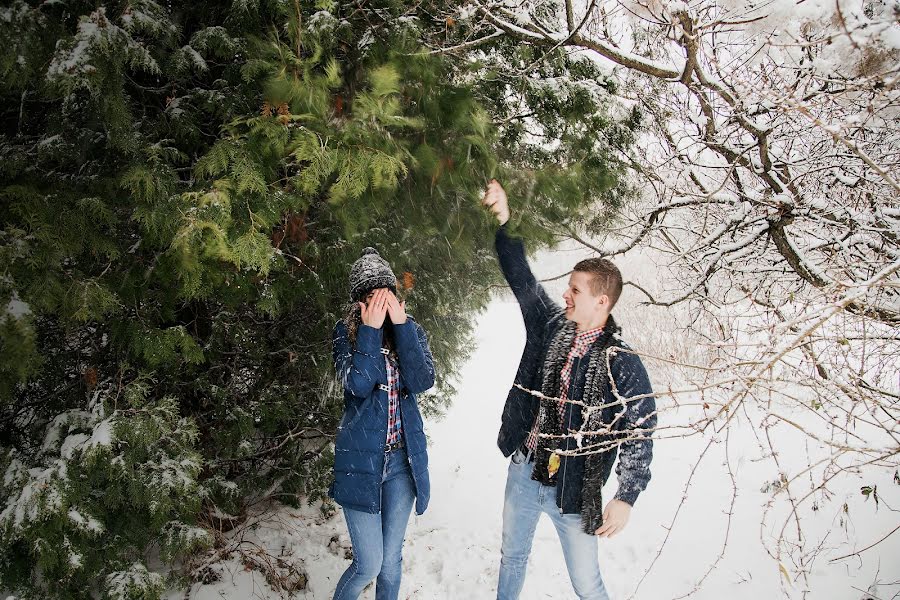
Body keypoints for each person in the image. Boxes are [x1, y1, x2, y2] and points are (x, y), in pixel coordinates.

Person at [481, 180, 657, 600]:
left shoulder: (621, 362)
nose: (566, 293)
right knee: (512, 557)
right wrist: (505, 223)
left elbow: (641, 430)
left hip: (576, 490)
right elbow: (520, 275)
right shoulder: (549, 326)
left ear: (602, 302)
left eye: (576, 289)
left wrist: (626, 497)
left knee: (587, 582)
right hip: (525, 470)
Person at [329, 247, 435, 600]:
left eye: (385, 294)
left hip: (401, 464)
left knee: (391, 562)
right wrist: (371, 332)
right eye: (372, 297)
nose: (381, 303)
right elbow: (357, 385)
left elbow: (422, 381)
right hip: (360, 462)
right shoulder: (346, 335)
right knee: (369, 564)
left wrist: (401, 328)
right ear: (359, 303)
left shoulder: (411, 329)